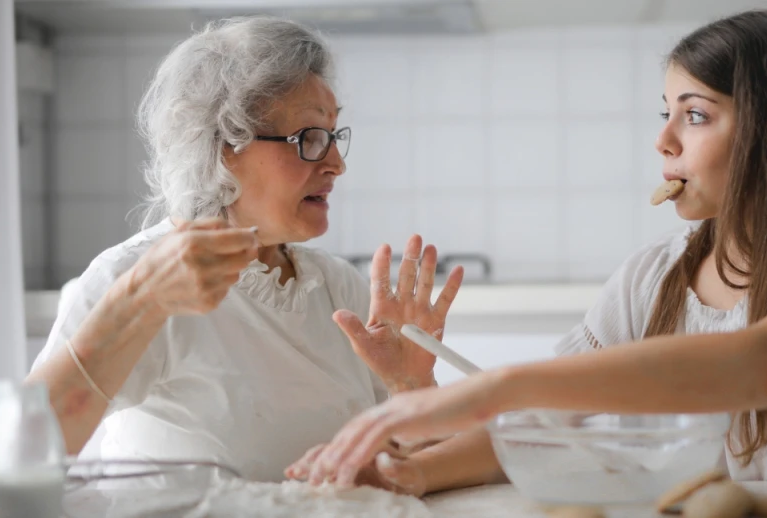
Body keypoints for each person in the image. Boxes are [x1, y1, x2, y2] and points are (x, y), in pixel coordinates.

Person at [289, 9, 767, 491]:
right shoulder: (654, 276)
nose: (662, 140)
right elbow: (552, 423)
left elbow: (765, 364)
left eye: (694, 114)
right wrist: (414, 469)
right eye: (664, 112)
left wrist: (500, 384)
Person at [26, 17, 462, 482]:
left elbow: (405, 465)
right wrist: (138, 302)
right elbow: (25, 451)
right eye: (309, 139)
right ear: (221, 146)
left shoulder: (337, 288)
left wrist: (411, 387)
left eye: (333, 136)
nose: (337, 163)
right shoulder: (134, 276)